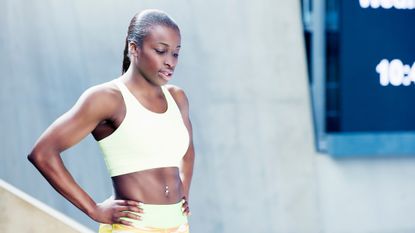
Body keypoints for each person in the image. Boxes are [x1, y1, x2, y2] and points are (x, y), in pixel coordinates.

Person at [28, 9, 195, 233]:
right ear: (134, 48)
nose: (170, 62)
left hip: (178, 225)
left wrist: (184, 190)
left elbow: (187, 152)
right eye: (161, 51)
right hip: (135, 227)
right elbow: (42, 153)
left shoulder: (177, 98)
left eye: (175, 53)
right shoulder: (107, 99)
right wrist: (94, 209)